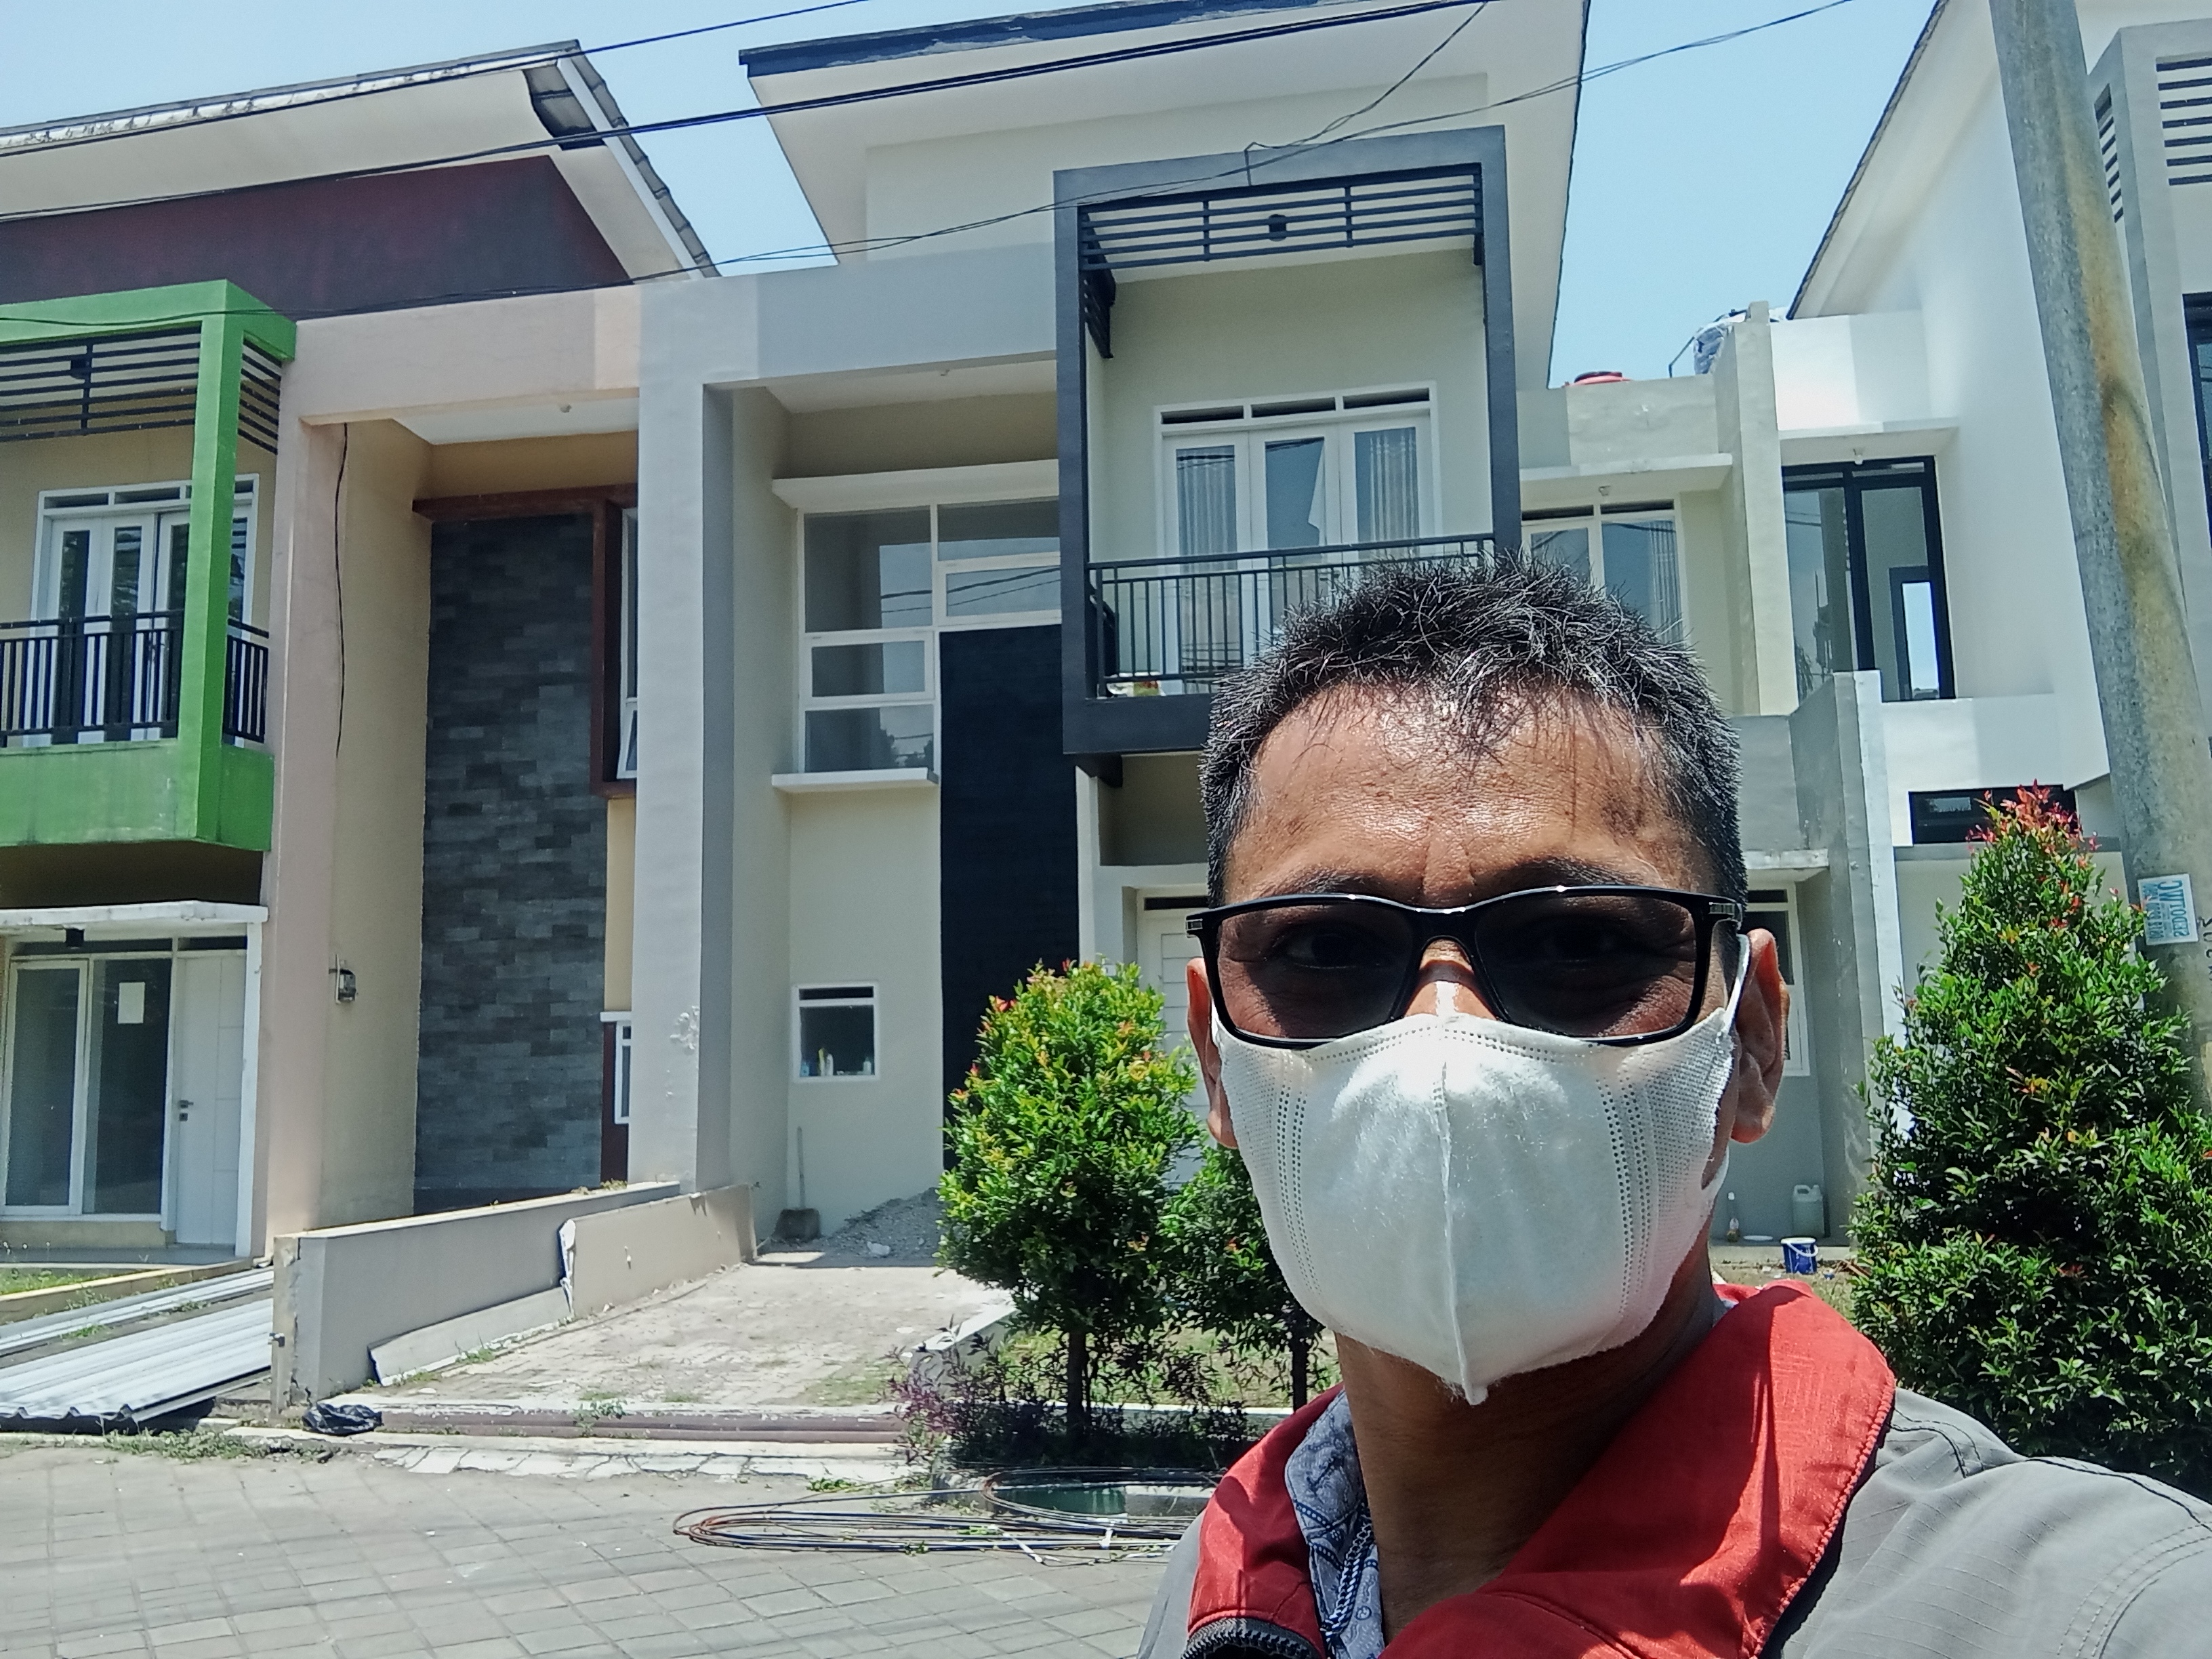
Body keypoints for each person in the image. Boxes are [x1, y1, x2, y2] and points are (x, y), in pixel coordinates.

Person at [1138, 560, 2212, 1659]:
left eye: (1579, 941)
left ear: (1753, 1040)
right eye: (1324, 948)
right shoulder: (1212, 1592)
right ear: (1215, 1059)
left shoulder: (2105, 1617)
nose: (1443, 1045)